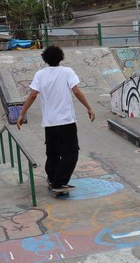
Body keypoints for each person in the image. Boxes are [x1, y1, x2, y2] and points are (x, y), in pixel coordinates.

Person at [17, 46, 96, 194]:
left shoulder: (40, 74)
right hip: (66, 121)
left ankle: (52, 179)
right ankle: (58, 182)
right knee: (71, 153)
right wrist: (89, 107)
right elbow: (76, 91)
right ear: (61, 58)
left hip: (50, 122)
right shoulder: (67, 72)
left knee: (52, 153)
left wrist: (22, 113)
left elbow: (33, 95)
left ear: (45, 59)